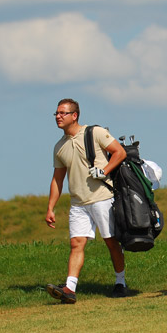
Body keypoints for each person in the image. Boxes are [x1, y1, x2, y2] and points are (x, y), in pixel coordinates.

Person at [45, 98, 129, 303]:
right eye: (56, 113)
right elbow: (58, 179)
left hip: (102, 197)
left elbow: (120, 152)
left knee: (111, 242)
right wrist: (50, 208)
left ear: (75, 116)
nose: (58, 116)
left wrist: (104, 171)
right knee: (76, 244)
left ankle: (121, 282)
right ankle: (69, 289)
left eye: (62, 113)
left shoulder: (95, 133)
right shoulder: (59, 147)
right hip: (78, 203)